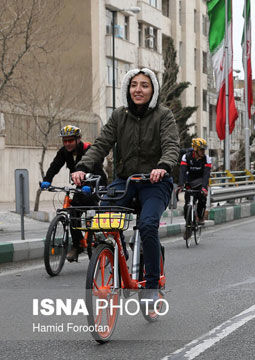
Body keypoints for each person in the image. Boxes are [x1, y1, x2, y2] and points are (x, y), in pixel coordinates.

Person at [72, 68, 179, 304]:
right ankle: (117, 251)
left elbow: (171, 145)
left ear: (153, 90)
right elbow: (101, 144)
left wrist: (163, 166)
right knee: (103, 218)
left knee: (148, 225)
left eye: (144, 85)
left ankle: (151, 285)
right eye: (134, 85)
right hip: (125, 181)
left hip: (155, 182)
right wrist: (82, 167)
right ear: (127, 89)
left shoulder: (164, 115)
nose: (138, 90)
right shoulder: (119, 116)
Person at [40, 125, 108, 261]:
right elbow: (55, 166)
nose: (67, 144)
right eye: (65, 141)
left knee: (90, 210)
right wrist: (47, 180)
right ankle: (77, 246)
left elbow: (95, 170)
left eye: (70, 140)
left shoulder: (89, 150)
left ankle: (97, 239)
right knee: (73, 213)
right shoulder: (64, 152)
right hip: (79, 185)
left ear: (78, 139)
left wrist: (90, 186)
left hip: (95, 183)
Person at [178, 137, 212, 239]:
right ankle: (188, 227)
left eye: (204, 149)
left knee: (202, 198)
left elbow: (206, 175)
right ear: (195, 149)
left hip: (201, 181)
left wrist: (204, 188)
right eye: (201, 149)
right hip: (190, 181)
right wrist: (181, 185)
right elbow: (182, 172)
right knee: (187, 205)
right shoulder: (186, 157)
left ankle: (200, 217)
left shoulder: (206, 159)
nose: (203, 151)